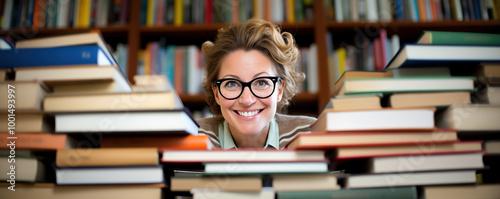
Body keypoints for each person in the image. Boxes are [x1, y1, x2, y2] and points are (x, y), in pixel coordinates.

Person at [197, 18, 316, 149]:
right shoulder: (192, 137)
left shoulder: (312, 134)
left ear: (279, 89)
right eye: (231, 84)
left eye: (261, 82)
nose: (247, 100)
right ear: (216, 93)